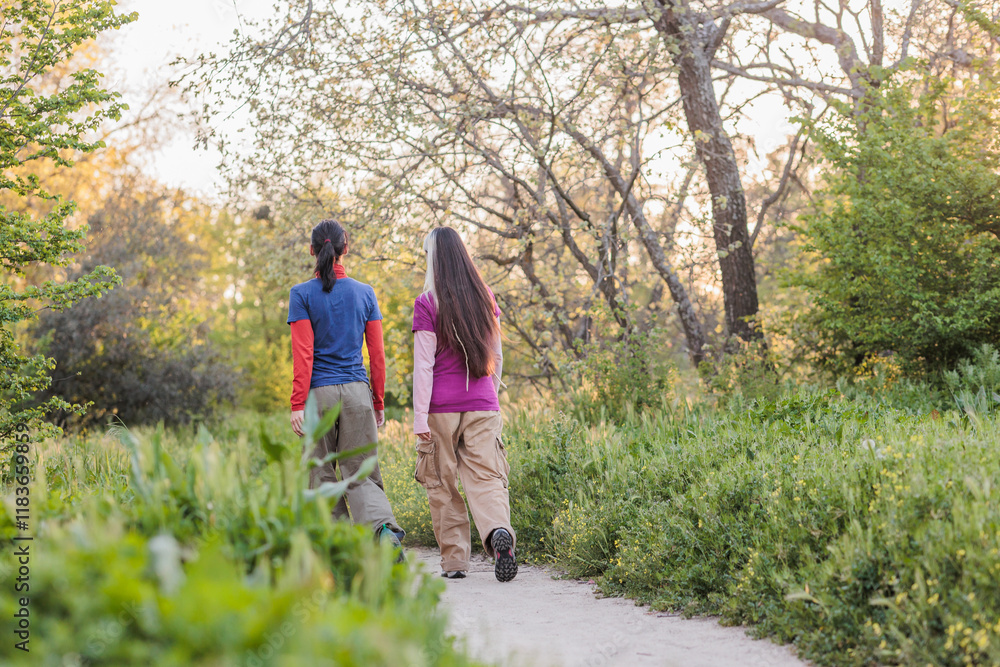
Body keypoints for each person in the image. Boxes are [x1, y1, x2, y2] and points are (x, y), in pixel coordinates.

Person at [287, 218, 404, 549]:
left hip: (319, 397)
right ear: (344, 249)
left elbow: (303, 356)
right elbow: (377, 356)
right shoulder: (365, 293)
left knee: (321, 474)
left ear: (312, 251)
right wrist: (378, 402)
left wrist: (298, 404)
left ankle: (339, 548)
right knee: (361, 472)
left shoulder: (301, 294)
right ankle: (383, 533)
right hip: (356, 392)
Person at [412, 226, 517, 582]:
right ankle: (497, 534)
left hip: (441, 406)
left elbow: (424, 366)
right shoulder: (485, 296)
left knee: (443, 482)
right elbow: (497, 356)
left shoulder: (427, 303)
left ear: (434, 259)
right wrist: (490, 396)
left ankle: (455, 562)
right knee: (487, 476)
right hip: (483, 402)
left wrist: (418, 418)